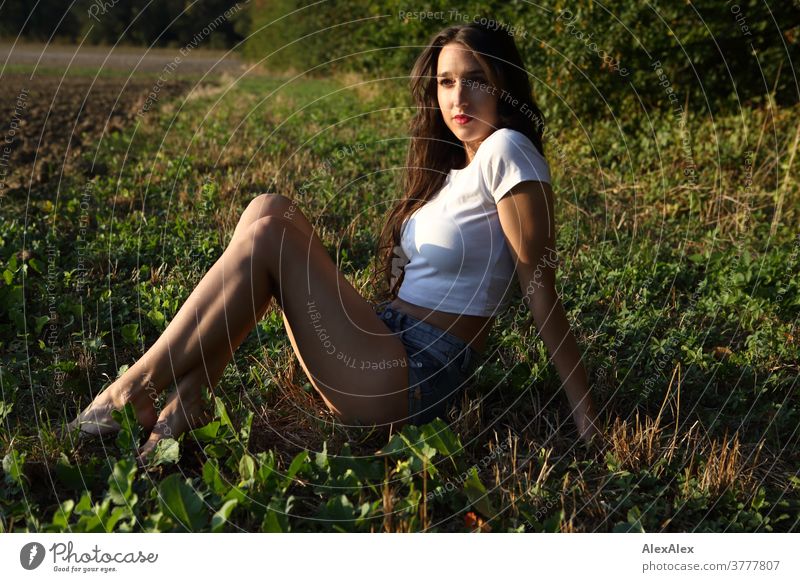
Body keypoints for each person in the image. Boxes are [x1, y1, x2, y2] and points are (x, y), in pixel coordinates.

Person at [67, 21, 601, 465]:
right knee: (266, 209)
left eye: (475, 79)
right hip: (386, 337)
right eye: (444, 82)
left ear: (504, 85)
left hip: (417, 376)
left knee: (271, 236)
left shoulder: (509, 150)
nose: (457, 97)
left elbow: (539, 286)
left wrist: (585, 412)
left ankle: (131, 389)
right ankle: (184, 402)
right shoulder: (454, 169)